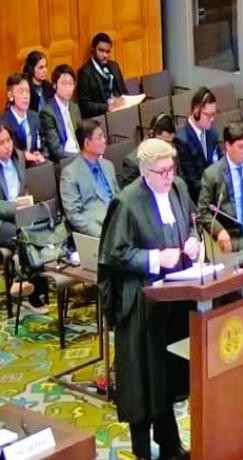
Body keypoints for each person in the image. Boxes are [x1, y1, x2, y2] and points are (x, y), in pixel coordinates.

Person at [98, 138, 200, 460]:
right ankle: (141, 450)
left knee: (167, 373)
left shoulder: (179, 188)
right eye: (162, 172)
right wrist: (155, 258)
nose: (169, 177)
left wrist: (193, 241)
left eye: (171, 169)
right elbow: (115, 254)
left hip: (177, 296)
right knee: (143, 378)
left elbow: (192, 223)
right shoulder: (127, 203)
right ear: (145, 172)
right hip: (142, 302)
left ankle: (170, 443)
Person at [0, 123, 49, 314]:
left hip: (19, 216)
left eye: (8, 140)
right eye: (1, 143)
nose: (7, 146)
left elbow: (22, 189)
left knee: (43, 227)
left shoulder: (19, 158)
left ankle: (32, 282)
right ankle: (30, 290)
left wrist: (26, 202)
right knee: (24, 237)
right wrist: (14, 208)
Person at [197, 122, 243, 255]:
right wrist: (219, 231)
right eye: (241, 146)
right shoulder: (212, 174)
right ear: (228, 146)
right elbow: (203, 211)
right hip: (232, 235)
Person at [60, 120, 120, 237]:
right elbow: (74, 215)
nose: (104, 140)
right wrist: (101, 234)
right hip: (98, 230)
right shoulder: (70, 174)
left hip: (120, 222)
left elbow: (119, 197)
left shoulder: (108, 165)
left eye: (103, 136)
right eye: (99, 137)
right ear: (87, 143)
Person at [176, 87, 222, 203]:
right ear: (196, 111)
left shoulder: (212, 133)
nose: (212, 119)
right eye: (208, 115)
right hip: (198, 198)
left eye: (214, 114)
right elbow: (192, 181)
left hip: (216, 192)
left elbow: (221, 162)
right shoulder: (182, 140)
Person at [77, 32, 129, 118]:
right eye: (101, 51)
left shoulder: (114, 66)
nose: (105, 55)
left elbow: (124, 91)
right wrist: (107, 107)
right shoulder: (85, 72)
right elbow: (84, 105)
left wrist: (125, 100)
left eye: (108, 52)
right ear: (93, 50)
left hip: (120, 110)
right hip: (101, 116)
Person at [121, 113, 176, 188]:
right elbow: (129, 194)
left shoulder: (171, 152)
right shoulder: (132, 163)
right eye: (163, 142)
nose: (167, 147)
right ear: (151, 135)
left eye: (170, 142)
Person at [40, 64, 82, 162]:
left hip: (79, 154)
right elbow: (56, 150)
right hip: (65, 160)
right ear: (54, 85)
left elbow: (81, 136)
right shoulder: (47, 112)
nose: (68, 88)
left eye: (71, 83)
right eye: (64, 84)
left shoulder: (74, 107)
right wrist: (80, 157)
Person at [2, 73, 47, 165]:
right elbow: (7, 153)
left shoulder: (34, 117)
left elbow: (44, 143)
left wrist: (41, 154)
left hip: (37, 165)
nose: (26, 96)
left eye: (27, 91)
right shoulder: (4, 122)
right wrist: (24, 156)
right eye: (21, 92)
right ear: (10, 94)